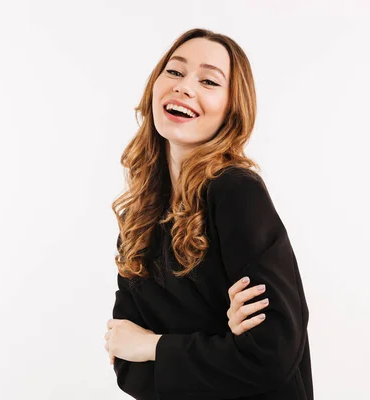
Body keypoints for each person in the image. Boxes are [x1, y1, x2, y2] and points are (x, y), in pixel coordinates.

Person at [104, 28, 313, 400]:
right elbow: (126, 364)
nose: (185, 87)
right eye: (174, 72)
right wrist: (222, 342)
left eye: (209, 80)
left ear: (232, 108)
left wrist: (154, 347)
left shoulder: (235, 192)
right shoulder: (140, 214)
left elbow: (272, 353)